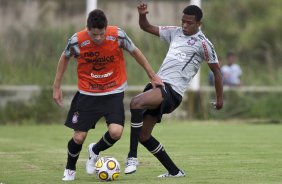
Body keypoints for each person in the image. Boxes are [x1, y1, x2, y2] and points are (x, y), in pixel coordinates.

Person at [52, 9, 163, 181]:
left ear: (106, 28)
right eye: (94, 34)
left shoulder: (118, 35)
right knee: (79, 137)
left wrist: (152, 75)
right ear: (87, 28)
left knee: (116, 132)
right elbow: (64, 57)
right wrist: (56, 85)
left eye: (101, 34)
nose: (98, 38)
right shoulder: (77, 40)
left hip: (113, 92)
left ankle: (95, 150)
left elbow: (135, 52)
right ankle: (70, 169)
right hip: (87, 93)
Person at [124, 3, 223, 178]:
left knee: (135, 103)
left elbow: (216, 72)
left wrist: (220, 99)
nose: (184, 25)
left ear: (199, 23)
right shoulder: (175, 32)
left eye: (189, 23)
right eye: (183, 21)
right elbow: (145, 27)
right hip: (159, 85)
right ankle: (175, 171)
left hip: (172, 91)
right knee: (144, 136)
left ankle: (132, 156)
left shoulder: (204, 44)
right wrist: (142, 15)